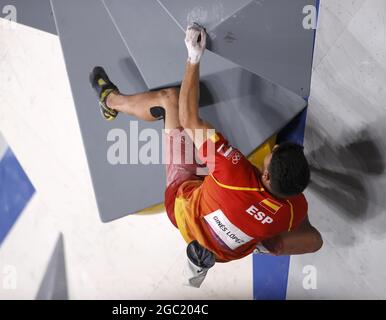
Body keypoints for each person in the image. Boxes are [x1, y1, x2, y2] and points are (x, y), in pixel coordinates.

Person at [90, 24, 322, 263]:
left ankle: (110, 102)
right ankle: (263, 246)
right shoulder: (293, 211)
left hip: (186, 212)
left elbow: (189, 120)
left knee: (169, 100)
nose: (272, 150)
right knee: (314, 240)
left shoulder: (234, 174)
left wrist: (194, 57)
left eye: (272, 155)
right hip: (223, 253)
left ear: (268, 176)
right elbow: (312, 240)